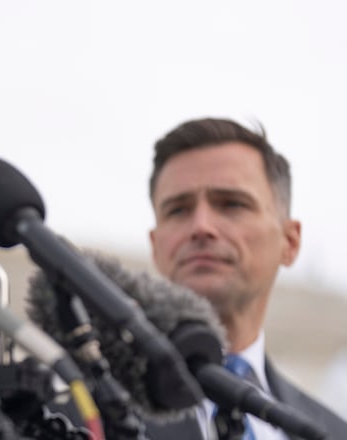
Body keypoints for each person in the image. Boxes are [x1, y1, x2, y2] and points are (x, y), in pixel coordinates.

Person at [146, 117, 347, 439]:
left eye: (232, 204)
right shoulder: (74, 413)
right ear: (156, 248)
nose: (201, 226)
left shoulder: (332, 432)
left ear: (290, 242)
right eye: (178, 210)